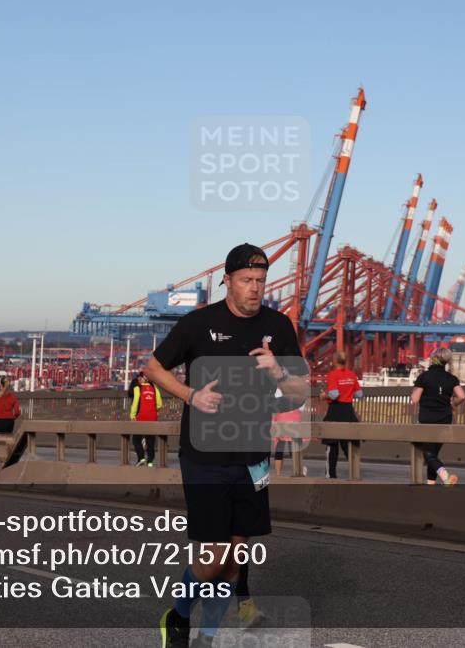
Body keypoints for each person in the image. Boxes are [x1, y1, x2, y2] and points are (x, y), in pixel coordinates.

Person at [147, 243, 308, 648]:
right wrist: (190, 395)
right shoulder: (198, 324)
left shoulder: (279, 326)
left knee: (235, 559)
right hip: (205, 455)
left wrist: (277, 371)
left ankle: (206, 637)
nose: (255, 288)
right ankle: (178, 615)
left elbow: (300, 390)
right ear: (227, 281)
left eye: (261, 281)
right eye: (246, 281)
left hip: (253, 455)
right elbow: (153, 367)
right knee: (213, 557)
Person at [411, 347, 465, 486]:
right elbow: (462, 396)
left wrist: (417, 391)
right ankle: (431, 484)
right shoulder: (451, 378)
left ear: (433, 359)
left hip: (427, 418)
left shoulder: (424, 376)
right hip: (445, 418)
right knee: (433, 452)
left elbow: (415, 399)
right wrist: (453, 403)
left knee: (428, 453)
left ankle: (446, 476)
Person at [319, 351, 363, 479]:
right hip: (348, 412)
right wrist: (348, 394)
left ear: (334, 361)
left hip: (335, 411)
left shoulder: (333, 375)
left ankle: (331, 475)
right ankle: (355, 474)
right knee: (348, 446)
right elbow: (360, 394)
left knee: (332, 446)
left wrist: (323, 396)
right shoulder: (352, 375)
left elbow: (334, 395)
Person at [129, 371, 163, 466]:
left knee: (136, 439)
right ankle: (150, 462)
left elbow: (135, 403)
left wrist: (132, 416)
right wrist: (152, 409)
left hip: (140, 417)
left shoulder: (137, 388)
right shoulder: (154, 388)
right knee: (150, 440)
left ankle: (141, 458)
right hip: (152, 418)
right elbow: (160, 404)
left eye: (140, 377)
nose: (139, 379)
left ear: (143, 378)